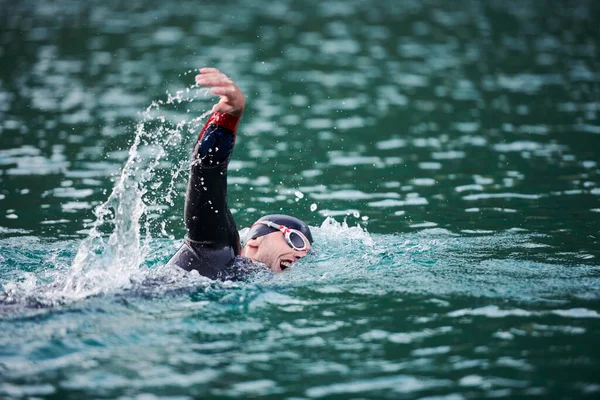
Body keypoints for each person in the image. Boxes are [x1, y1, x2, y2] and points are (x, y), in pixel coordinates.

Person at [168, 68, 313, 280]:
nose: (300, 254)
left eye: (306, 253)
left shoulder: (242, 277)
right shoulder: (217, 248)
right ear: (255, 240)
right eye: (295, 241)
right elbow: (207, 171)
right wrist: (228, 117)